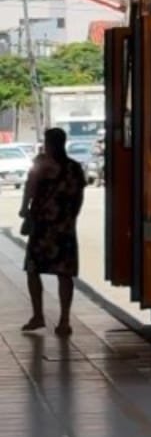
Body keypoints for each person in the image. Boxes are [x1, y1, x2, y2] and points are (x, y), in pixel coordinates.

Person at [19, 128, 87, 338]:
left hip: (44, 226)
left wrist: (25, 209)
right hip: (63, 227)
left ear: (50, 143)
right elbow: (78, 197)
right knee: (63, 273)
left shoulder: (42, 164)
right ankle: (63, 320)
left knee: (34, 269)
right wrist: (71, 217)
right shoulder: (73, 168)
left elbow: (29, 188)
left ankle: (39, 315)